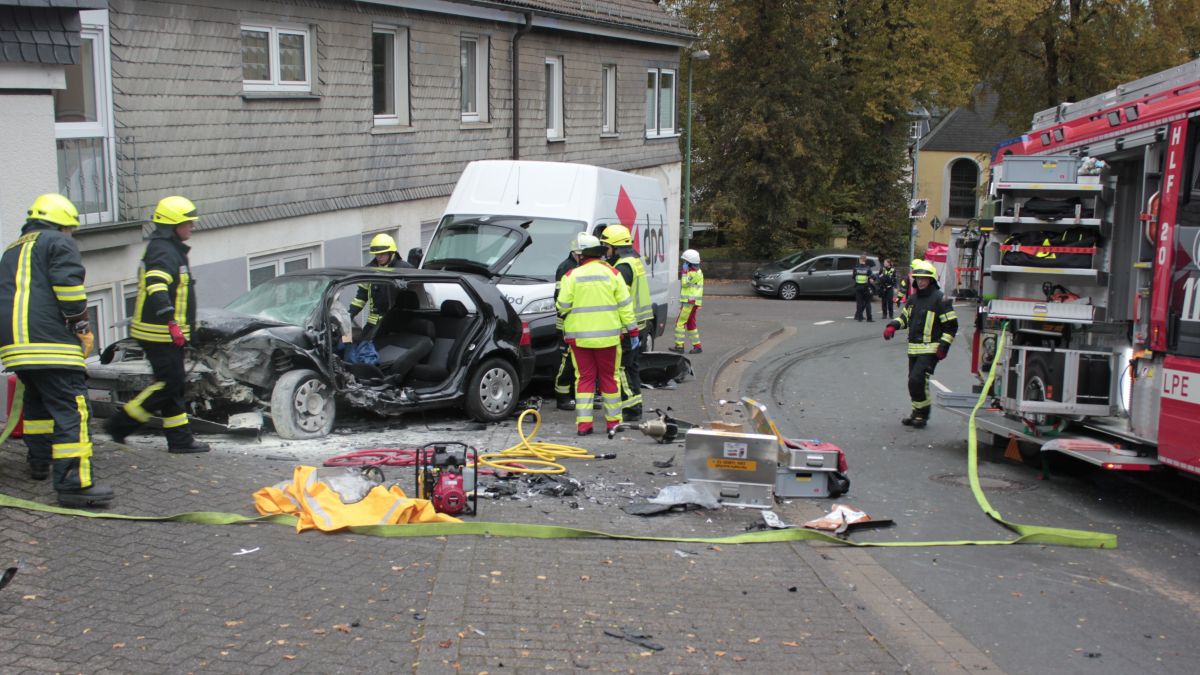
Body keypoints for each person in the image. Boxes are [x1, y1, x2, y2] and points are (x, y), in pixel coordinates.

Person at [0, 193, 114, 507]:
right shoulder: (57, 242)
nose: (70, 236)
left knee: (37, 404)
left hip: (15, 345)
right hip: (50, 343)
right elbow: (68, 287)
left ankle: (40, 462)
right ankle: (73, 485)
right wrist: (81, 326)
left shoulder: (12, 249)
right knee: (73, 410)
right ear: (63, 225)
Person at [104, 196, 210, 453]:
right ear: (174, 225)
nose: (192, 228)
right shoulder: (163, 251)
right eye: (188, 223)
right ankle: (121, 423)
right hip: (159, 333)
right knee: (169, 384)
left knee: (173, 386)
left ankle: (180, 441)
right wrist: (171, 322)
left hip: (167, 333)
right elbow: (156, 286)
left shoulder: (170, 248)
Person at [556, 234, 638, 436]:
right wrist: (633, 330)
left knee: (584, 379)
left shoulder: (570, 276)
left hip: (579, 338)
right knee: (610, 378)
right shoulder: (613, 274)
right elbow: (625, 306)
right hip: (608, 338)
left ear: (581, 255)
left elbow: (562, 305)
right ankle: (613, 423)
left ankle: (584, 425)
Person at [882, 259, 958, 428]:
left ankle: (922, 415)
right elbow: (905, 318)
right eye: (918, 278)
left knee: (917, 379)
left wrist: (944, 346)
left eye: (924, 278)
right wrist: (892, 326)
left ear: (931, 279)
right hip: (914, 349)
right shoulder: (913, 299)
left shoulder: (940, 299)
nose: (920, 281)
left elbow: (951, 326)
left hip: (931, 349)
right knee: (913, 382)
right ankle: (917, 412)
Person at [602, 224, 651, 421]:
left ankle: (630, 408)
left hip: (626, 327)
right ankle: (635, 403)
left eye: (606, 247)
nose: (605, 252)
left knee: (621, 369)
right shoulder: (633, 262)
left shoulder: (622, 268)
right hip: (638, 324)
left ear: (616, 247)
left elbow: (618, 300)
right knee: (632, 367)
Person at [350, 233, 414, 331]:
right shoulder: (369, 270)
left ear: (391, 252)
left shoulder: (405, 269)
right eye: (376, 254)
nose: (379, 257)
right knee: (362, 344)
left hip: (397, 323)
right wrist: (349, 315)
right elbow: (360, 298)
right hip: (374, 324)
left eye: (382, 254)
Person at [552, 234, 584, 410]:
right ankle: (563, 396)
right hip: (566, 323)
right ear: (574, 253)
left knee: (579, 361)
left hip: (578, 323)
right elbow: (559, 298)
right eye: (580, 254)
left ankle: (574, 394)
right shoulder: (565, 268)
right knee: (567, 361)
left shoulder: (578, 267)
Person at [671, 249, 704, 354]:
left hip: (690, 303)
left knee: (679, 323)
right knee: (691, 324)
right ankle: (697, 346)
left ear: (690, 263)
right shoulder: (695, 272)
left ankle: (679, 346)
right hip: (692, 302)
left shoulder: (694, 273)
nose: (683, 264)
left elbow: (685, 283)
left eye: (685, 262)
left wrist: (684, 272)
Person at [852, 254, 874, 322]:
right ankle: (869, 318)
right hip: (866, 287)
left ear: (860, 260)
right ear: (865, 260)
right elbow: (872, 277)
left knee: (859, 303)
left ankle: (860, 318)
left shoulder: (855, 268)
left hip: (858, 287)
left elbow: (853, 277)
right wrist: (871, 280)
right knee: (867, 303)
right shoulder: (868, 268)